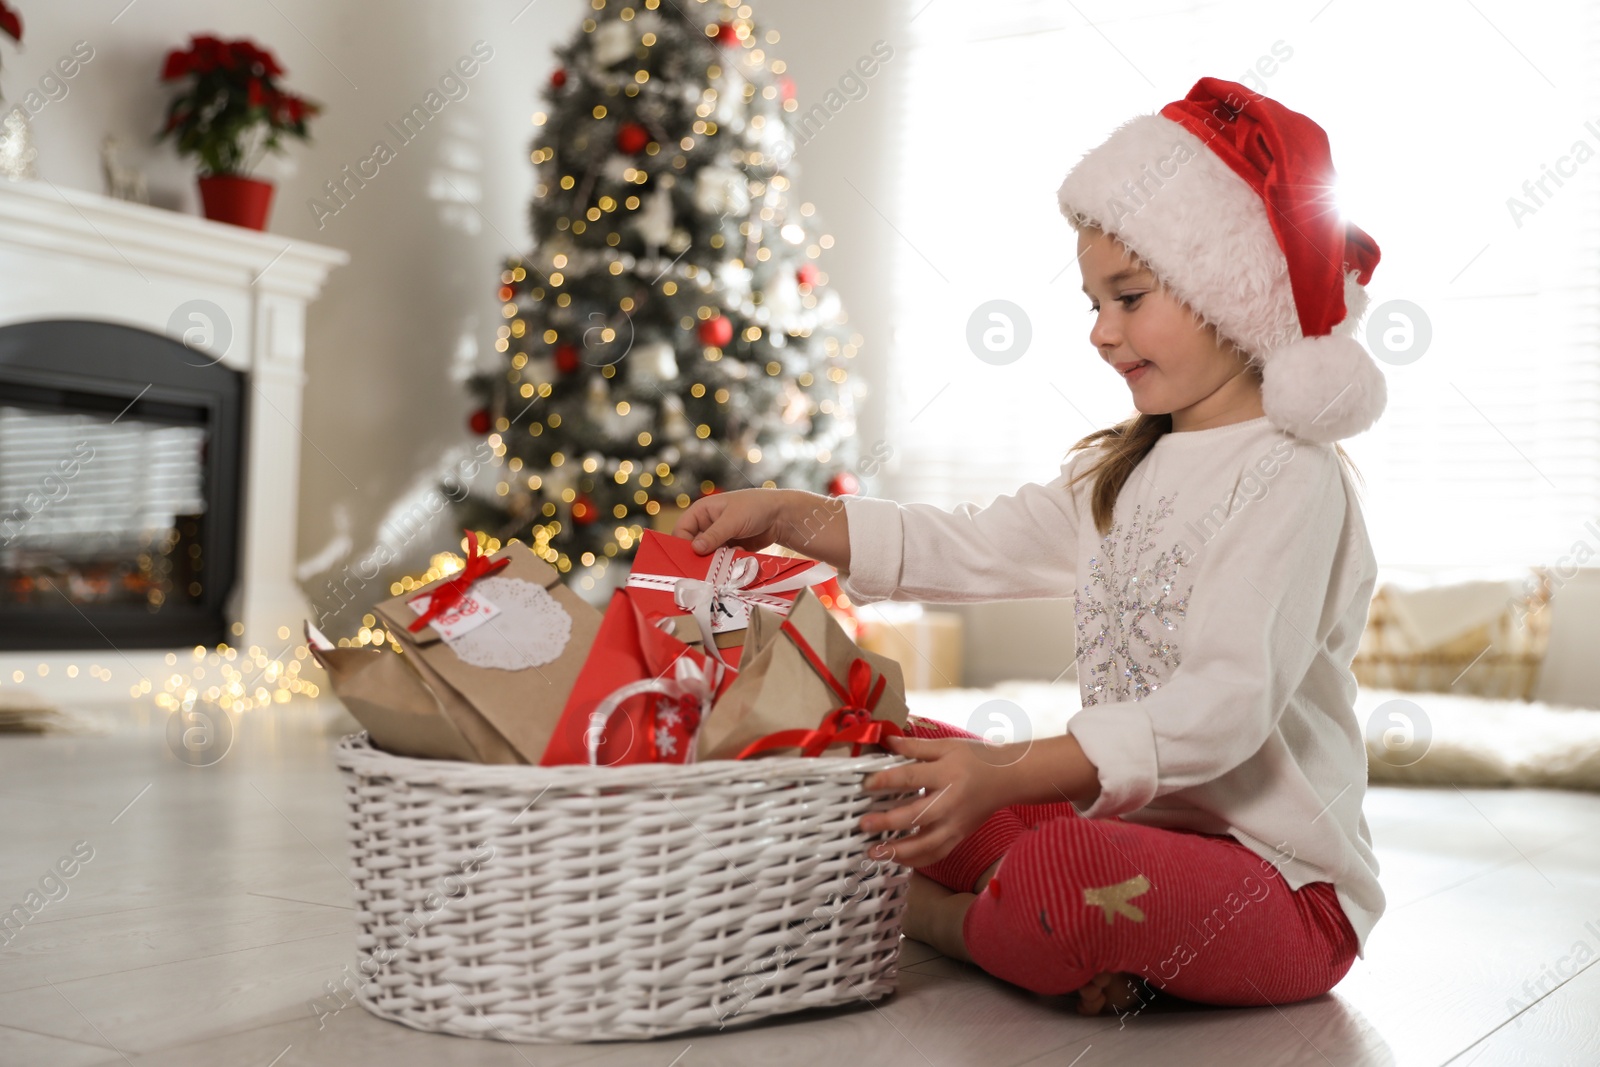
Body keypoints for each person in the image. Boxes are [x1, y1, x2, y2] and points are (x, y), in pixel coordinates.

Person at [672, 76, 1386, 1018]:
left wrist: (1006, 772)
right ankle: (1049, 925)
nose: (1101, 332)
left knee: (1060, 870)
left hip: (1280, 889)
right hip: (1131, 834)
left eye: (1127, 298)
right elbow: (971, 547)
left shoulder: (1292, 477)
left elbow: (1222, 709)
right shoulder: (1128, 471)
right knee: (884, 754)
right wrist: (795, 515)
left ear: (1230, 291)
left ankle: (937, 918)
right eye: (1095, 302)